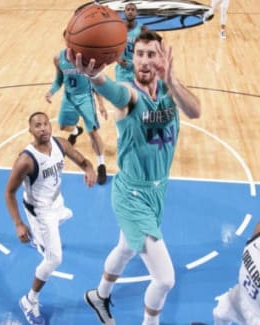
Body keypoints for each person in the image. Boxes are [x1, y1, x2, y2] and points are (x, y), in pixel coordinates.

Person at [76, 30, 201, 325]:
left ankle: (100, 295)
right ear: (133, 59)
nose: (144, 61)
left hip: (156, 193)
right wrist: (95, 77)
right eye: (140, 54)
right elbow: (114, 91)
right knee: (165, 279)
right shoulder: (130, 96)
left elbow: (195, 111)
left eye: (151, 54)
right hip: (132, 197)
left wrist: (172, 80)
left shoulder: (170, 93)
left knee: (126, 247)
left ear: (162, 58)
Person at [5, 111, 97, 325]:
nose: (43, 128)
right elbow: (9, 192)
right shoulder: (25, 161)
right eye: (37, 125)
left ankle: (40, 238)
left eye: (46, 124)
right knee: (54, 258)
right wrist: (18, 224)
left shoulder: (61, 145)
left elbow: (83, 161)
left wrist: (89, 168)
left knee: (66, 215)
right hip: (40, 210)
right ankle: (29, 300)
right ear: (31, 131)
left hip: (57, 202)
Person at [44, 45, 109, 185]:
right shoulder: (58, 58)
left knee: (93, 132)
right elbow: (59, 80)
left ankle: (101, 164)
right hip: (69, 97)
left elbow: (94, 81)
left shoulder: (86, 58)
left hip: (85, 97)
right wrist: (51, 91)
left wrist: (101, 104)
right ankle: (76, 131)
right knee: (63, 126)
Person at [115, 2, 147, 83]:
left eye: (133, 10)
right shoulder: (118, 27)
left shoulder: (142, 29)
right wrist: (117, 59)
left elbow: (152, 47)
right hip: (122, 70)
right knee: (123, 95)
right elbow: (110, 46)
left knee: (138, 95)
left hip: (137, 70)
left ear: (136, 12)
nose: (130, 12)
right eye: (128, 9)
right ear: (124, 12)